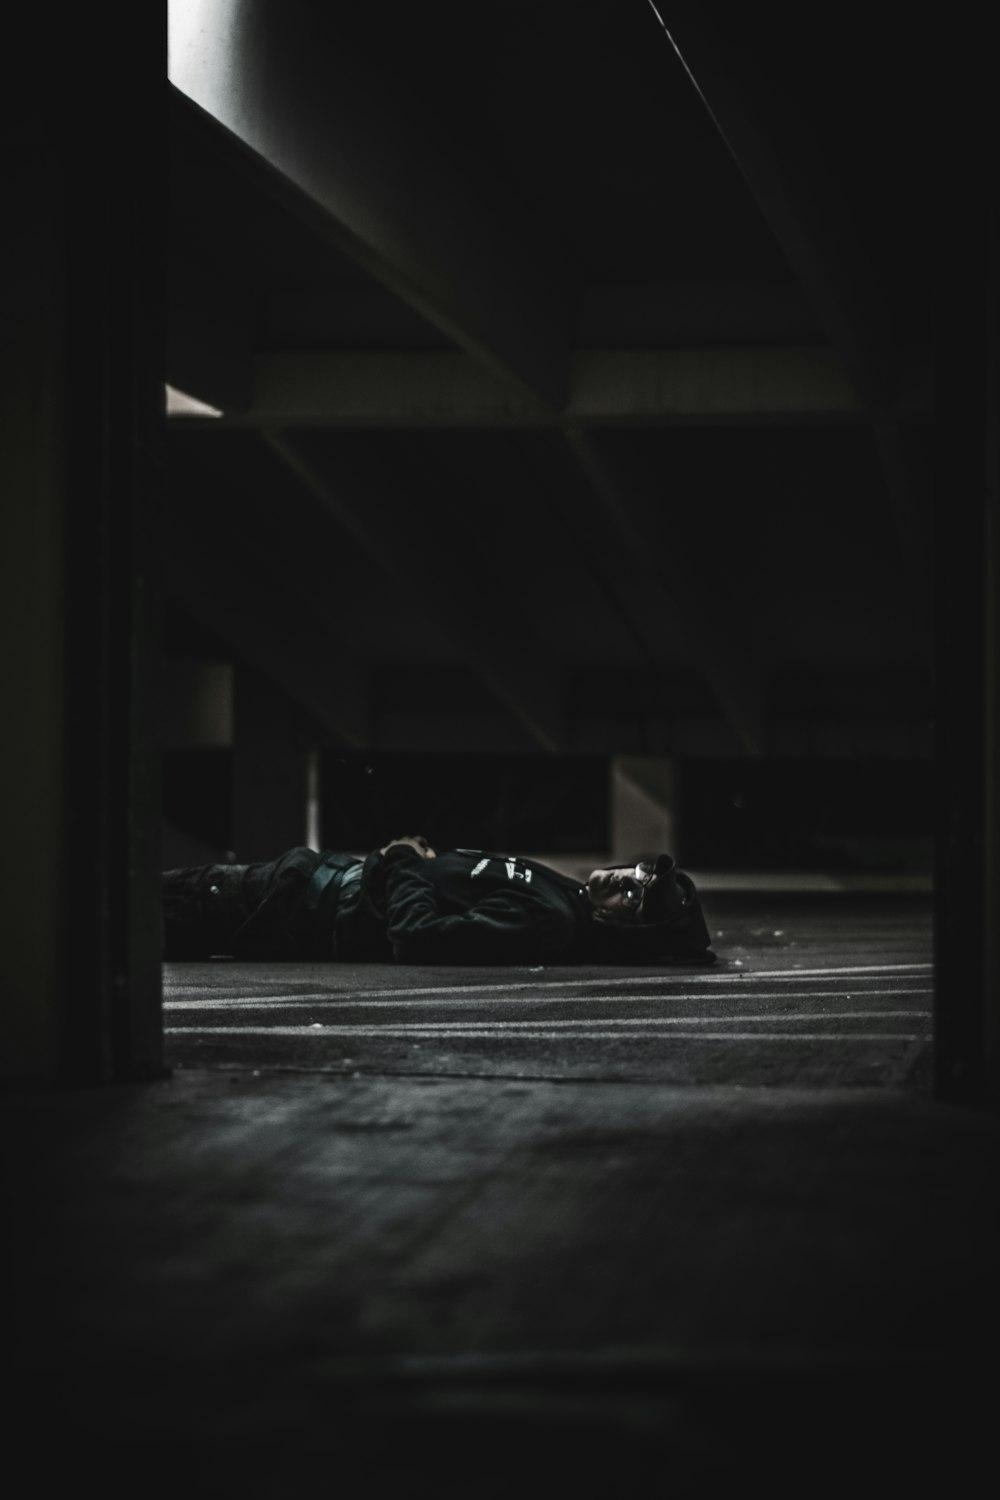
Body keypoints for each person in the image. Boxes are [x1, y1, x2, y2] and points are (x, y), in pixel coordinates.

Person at [162, 835, 715, 965]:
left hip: (284, 903)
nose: (627, 879)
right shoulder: (562, 895)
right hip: (295, 883)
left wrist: (403, 859)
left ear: (625, 929)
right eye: (641, 873)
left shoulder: (549, 922)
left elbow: (418, 937)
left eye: (634, 897)